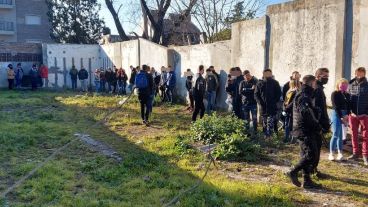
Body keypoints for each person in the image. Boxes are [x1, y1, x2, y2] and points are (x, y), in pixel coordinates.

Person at [286, 75, 322, 189]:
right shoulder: (304, 95)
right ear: (312, 83)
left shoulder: (306, 94)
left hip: (305, 129)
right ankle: (293, 171)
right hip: (304, 130)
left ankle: (307, 180)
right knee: (311, 155)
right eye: (315, 83)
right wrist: (317, 125)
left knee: (306, 154)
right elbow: (305, 113)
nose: (316, 85)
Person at [313, 68, 331, 176]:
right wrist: (320, 123)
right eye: (325, 76)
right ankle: (312, 170)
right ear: (318, 76)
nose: (327, 78)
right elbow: (316, 108)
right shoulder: (317, 89)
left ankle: (313, 169)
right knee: (315, 148)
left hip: (319, 123)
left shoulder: (320, 88)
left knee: (317, 147)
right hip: (316, 124)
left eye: (327, 77)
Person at [348, 67, 368, 166]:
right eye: (358, 73)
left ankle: (365, 155)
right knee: (354, 134)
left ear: (364, 74)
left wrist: (366, 113)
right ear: (355, 73)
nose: (359, 75)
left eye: (361, 73)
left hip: (364, 115)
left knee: (365, 136)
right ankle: (355, 153)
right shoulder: (351, 84)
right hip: (353, 115)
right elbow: (348, 98)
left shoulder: (367, 85)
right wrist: (350, 111)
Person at [255, 69, 281, 138]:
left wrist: (274, 101)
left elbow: (278, 93)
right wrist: (260, 102)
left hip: (272, 106)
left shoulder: (275, 83)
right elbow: (256, 94)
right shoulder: (259, 83)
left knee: (272, 121)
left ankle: (271, 135)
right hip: (263, 107)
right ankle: (265, 135)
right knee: (265, 121)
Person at [329, 78, 351, 161]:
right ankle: (331, 153)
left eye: (345, 84)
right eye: (342, 84)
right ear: (338, 85)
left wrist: (347, 115)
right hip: (337, 114)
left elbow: (349, 106)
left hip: (345, 115)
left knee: (341, 135)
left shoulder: (347, 94)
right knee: (335, 134)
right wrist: (341, 116)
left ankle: (340, 153)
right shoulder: (335, 93)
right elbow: (335, 106)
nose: (344, 86)